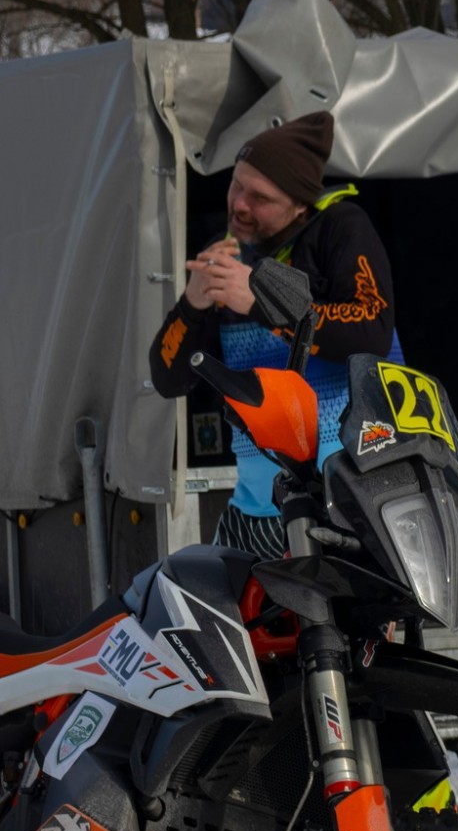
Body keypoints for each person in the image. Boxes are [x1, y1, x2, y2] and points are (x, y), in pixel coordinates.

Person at [147, 110, 401, 559]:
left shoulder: (341, 227)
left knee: (332, 629)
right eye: (237, 185)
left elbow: (372, 331)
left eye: (259, 197)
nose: (239, 204)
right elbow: (169, 380)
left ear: (299, 205)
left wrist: (264, 303)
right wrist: (193, 304)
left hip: (350, 499)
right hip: (256, 509)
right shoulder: (225, 250)